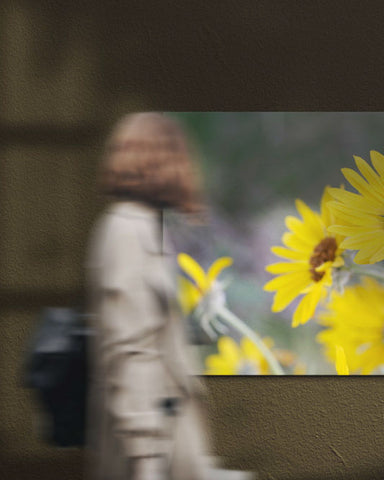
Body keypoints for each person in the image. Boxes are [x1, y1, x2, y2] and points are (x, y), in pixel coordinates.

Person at [85, 112, 218, 480]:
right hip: (154, 448)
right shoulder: (128, 232)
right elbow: (131, 348)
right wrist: (146, 460)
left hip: (161, 436)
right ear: (164, 162)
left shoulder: (139, 226)